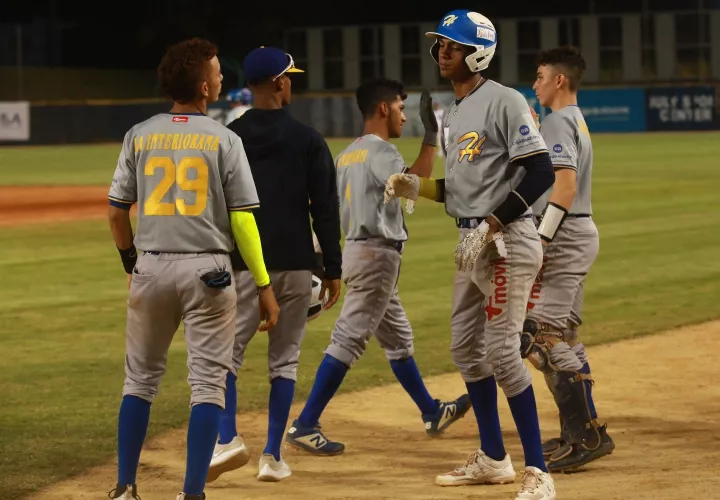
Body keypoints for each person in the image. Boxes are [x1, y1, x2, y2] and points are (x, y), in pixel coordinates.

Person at [384, 10, 557, 499]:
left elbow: (541, 171)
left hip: (506, 241)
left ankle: (539, 473)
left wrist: (492, 224)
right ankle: (493, 458)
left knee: (502, 352)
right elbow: (461, 190)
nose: (443, 52)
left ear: (478, 54)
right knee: (464, 347)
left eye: (454, 46)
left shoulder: (504, 100)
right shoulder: (455, 111)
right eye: (440, 43)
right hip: (473, 240)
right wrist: (417, 186)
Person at [105, 38, 279, 500]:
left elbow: (117, 213)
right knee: (207, 386)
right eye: (218, 73)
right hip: (209, 272)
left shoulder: (140, 134)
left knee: (139, 381)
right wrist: (263, 284)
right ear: (204, 87)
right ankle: (192, 493)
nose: (221, 78)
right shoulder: (224, 139)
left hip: (151, 266)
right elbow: (242, 220)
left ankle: (124, 488)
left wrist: (131, 262)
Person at [284, 77, 471, 457]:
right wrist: (431, 136)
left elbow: (327, 210)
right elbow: (413, 183)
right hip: (376, 257)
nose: (405, 116)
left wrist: (319, 256)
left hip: (357, 252)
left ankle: (431, 411)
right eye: (401, 108)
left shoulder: (347, 154)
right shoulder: (381, 150)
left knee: (398, 340)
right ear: (383, 108)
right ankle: (305, 423)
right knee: (348, 339)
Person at [207, 46, 342, 483]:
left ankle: (227, 439)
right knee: (284, 361)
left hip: (243, 265)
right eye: (290, 78)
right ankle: (272, 456)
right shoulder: (308, 139)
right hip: (296, 264)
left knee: (226, 357)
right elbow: (326, 208)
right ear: (280, 82)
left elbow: (215, 207)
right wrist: (333, 267)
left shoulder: (229, 137)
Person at [522, 45, 615, 473]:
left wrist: (541, 239)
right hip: (578, 232)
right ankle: (582, 430)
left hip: (565, 234)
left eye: (541, 76)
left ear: (560, 80)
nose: (535, 84)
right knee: (565, 336)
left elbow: (564, 187)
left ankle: (586, 437)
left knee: (542, 335)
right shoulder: (573, 118)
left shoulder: (559, 121)